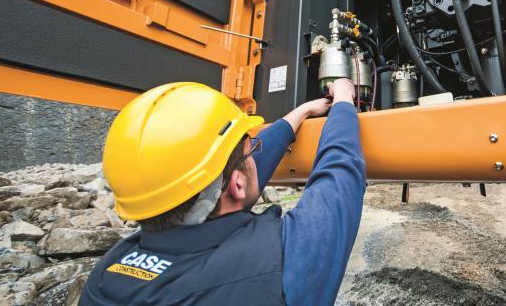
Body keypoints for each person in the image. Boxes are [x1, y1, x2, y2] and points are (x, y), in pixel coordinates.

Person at [80, 78, 365, 306]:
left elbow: (226, 176)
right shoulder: (277, 267)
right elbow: (340, 173)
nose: (255, 151)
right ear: (237, 184)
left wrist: (301, 112)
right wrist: (343, 100)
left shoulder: (107, 273)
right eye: (250, 147)